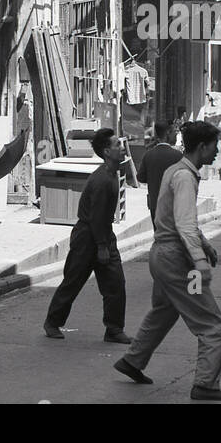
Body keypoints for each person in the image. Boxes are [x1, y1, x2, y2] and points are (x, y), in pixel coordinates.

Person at [114, 121, 221, 401]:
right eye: (214, 146)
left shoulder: (175, 170)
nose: (216, 152)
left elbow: (175, 217)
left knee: (165, 310)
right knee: (212, 325)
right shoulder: (184, 177)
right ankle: (205, 384)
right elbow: (185, 223)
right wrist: (199, 260)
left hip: (163, 257)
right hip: (177, 261)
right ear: (202, 147)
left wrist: (204, 245)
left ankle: (133, 360)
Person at [44, 128, 131, 343]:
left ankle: (114, 329)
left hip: (102, 233)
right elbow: (96, 217)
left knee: (115, 284)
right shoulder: (102, 180)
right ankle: (52, 322)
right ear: (106, 152)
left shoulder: (111, 173)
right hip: (88, 237)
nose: (122, 148)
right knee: (73, 281)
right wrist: (101, 246)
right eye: (117, 145)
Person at [137, 121, 183, 223]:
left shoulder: (148, 155)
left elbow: (140, 178)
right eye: (174, 132)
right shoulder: (178, 156)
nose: (176, 135)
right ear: (168, 133)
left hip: (154, 204)